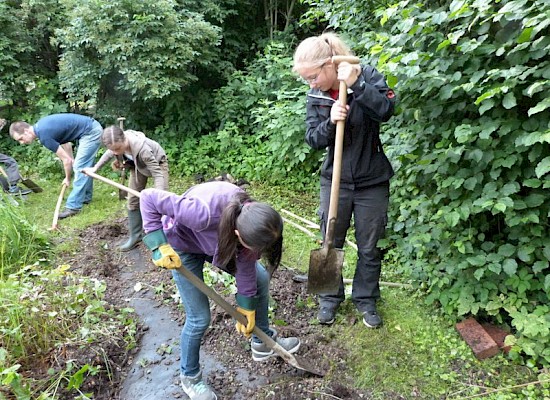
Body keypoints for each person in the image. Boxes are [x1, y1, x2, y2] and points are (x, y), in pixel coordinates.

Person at [140, 181, 300, 400]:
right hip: (183, 246)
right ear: (237, 233)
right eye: (253, 248)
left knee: (260, 277)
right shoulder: (200, 214)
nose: (256, 253)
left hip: (217, 243)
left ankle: (262, 342)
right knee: (199, 318)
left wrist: (246, 308)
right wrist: (158, 243)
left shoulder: (255, 224)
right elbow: (148, 197)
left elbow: (246, 266)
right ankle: (190, 376)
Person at [292, 32, 396, 328]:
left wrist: (356, 86)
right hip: (334, 179)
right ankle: (328, 298)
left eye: (312, 77)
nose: (310, 84)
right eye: (306, 79)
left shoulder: (367, 76)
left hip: (371, 180)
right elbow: (312, 137)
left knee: (369, 245)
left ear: (328, 67)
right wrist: (331, 121)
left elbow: (387, 110)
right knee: (329, 239)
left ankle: (366, 300)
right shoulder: (316, 95)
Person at [82, 125, 169, 251]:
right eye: (113, 150)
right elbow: (108, 154)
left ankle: (167, 235)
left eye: (118, 149)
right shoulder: (115, 145)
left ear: (124, 139)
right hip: (136, 166)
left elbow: (157, 174)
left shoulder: (143, 149)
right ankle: (136, 236)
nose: (116, 153)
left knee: (162, 201)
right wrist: (95, 168)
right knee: (133, 200)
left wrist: (158, 193)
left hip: (158, 165)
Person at [9, 113, 102, 218]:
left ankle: (73, 206)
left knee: (80, 168)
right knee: (83, 167)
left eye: (21, 139)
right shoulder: (41, 127)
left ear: (26, 131)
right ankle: (85, 197)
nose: (21, 143)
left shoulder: (44, 136)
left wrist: (67, 178)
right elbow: (65, 143)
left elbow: (65, 161)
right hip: (91, 128)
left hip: (91, 132)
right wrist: (71, 158)